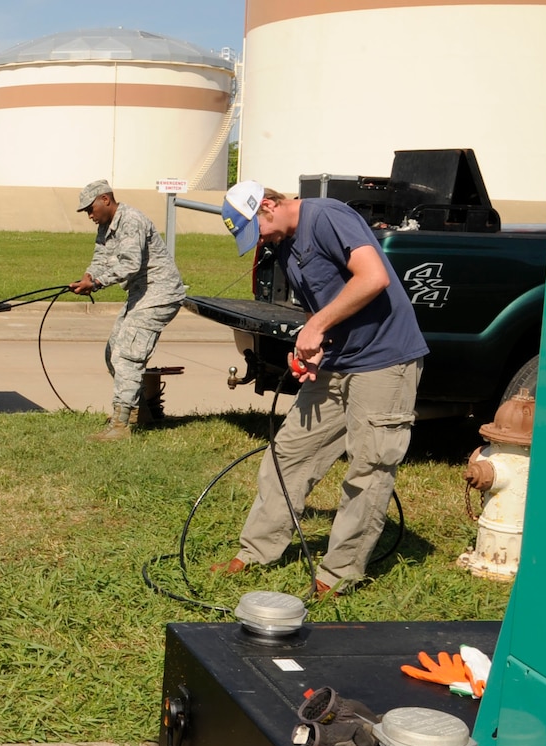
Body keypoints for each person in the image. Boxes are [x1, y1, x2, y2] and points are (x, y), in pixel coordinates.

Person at [214, 180, 430, 596]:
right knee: (289, 454)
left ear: (271, 205)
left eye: (258, 230)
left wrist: (315, 326)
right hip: (337, 362)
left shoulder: (328, 215)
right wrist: (316, 347)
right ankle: (256, 551)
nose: (262, 240)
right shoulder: (287, 245)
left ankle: (337, 576)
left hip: (385, 361)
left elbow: (373, 277)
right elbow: (330, 303)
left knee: (368, 468)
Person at [68, 180, 187, 440]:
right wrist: (88, 276)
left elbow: (130, 264)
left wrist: (97, 283)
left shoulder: (131, 220)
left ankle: (121, 425)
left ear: (105, 200)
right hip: (141, 294)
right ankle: (140, 411)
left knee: (127, 356)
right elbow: (102, 257)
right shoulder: (106, 225)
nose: (89, 215)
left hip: (160, 293)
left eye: (91, 208)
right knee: (113, 352)